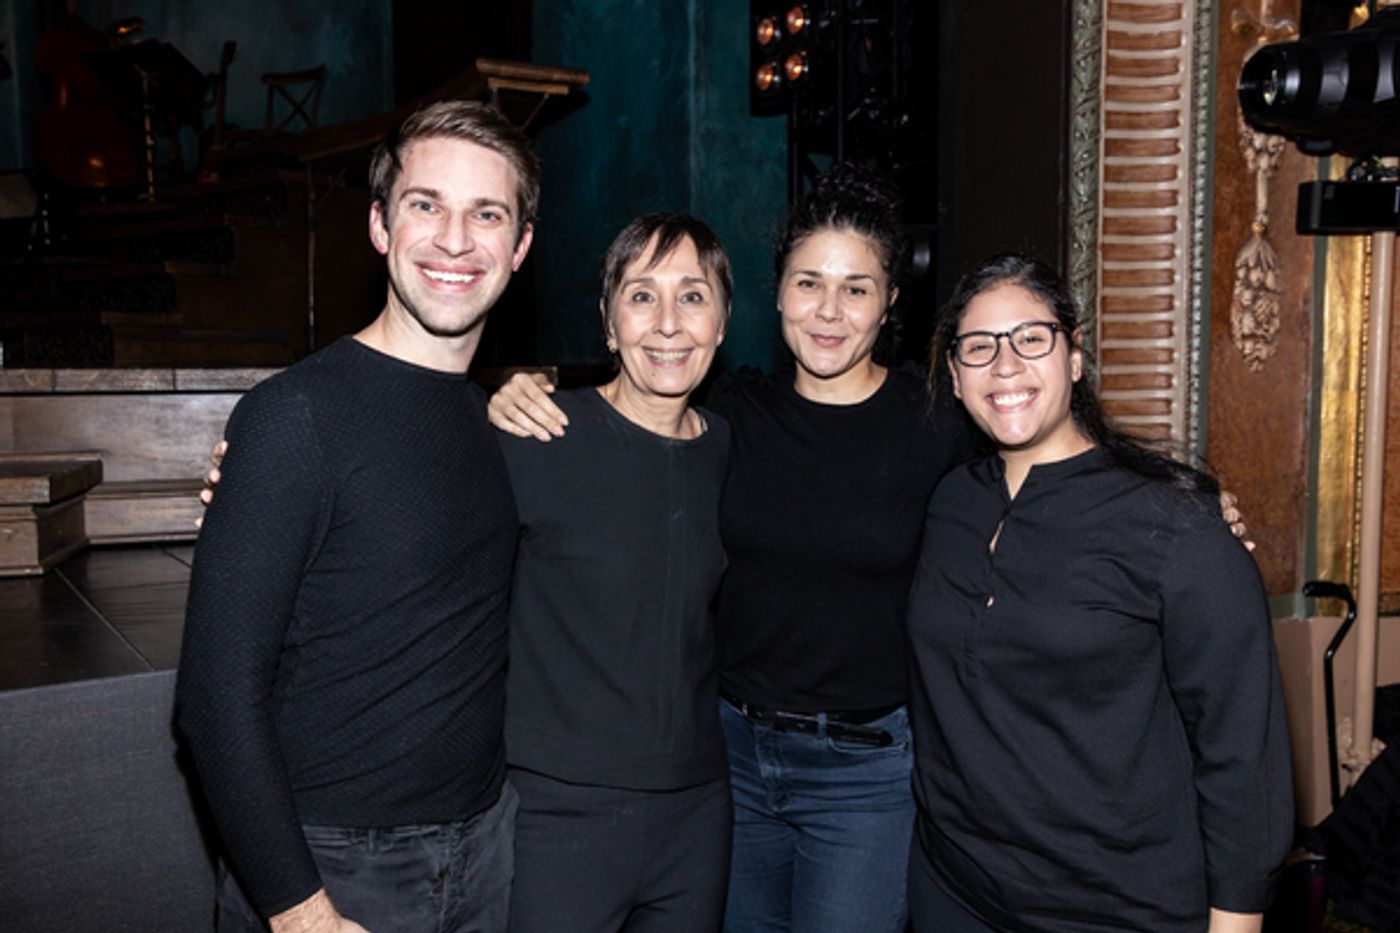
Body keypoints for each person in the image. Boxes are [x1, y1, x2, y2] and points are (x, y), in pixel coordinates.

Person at [491, 165, 970, 932]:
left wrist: (1183, 499)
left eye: (857, 287)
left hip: (863, 773)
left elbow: (1043, 455)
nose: (830, 310)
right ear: (777, 294)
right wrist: (507, 391)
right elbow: (625, 416)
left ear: (890, 303)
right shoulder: (731, 414)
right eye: (809, 282)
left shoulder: (936, 419)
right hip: (734, 763)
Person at [176, 100, 537, 933]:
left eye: (487, 213)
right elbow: (213, 694)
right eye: (425, 204)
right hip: (332, 867)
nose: (455, 239)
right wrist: (302, 911)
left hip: (484, 851)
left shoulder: (497, 423)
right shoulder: (292, 417)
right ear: (378, 224)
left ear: (519, 245)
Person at [905, 254, 1293, 932]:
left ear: (1075, 355)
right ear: (957, 377)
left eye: (1032, 337)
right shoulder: (950, 504)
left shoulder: (1172, 525)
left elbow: (1243, 749)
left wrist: (1238, 918)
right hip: (954, 889)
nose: (1006, 365)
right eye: (979, 347)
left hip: (1114, 905)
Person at [500, 213, 734, 932]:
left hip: (697, 813)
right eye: (641, 296)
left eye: (693, 296)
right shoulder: (536, 434)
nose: (668, 323)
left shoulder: (731, 447)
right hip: (557, 812)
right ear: (607, 322)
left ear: (723, 322)